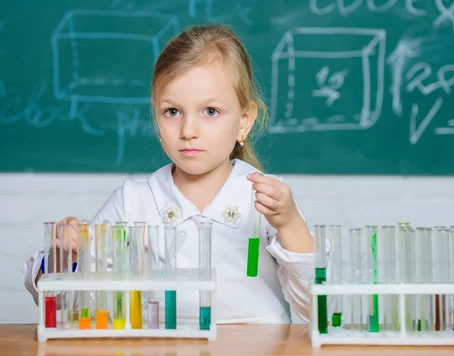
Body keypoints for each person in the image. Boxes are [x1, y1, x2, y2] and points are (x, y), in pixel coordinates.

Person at [22, 24, 315, 324]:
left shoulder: (269, 199)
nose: (188, 131)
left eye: (210, 111)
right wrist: (64, 255)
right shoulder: (133, 201)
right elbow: (64, 301)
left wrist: (290, 223)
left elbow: (314, 310)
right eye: (172, 112)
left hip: (257, 353)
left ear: (244, 121)